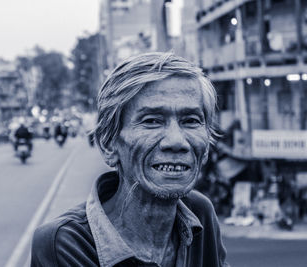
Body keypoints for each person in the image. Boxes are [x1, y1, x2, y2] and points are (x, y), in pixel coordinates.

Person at [31, 52, 229, 266]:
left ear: (207, 143)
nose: (176, 141)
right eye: (152, 121)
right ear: (108, 145)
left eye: (190, 121)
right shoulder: (65, 244)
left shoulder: (199, 213)